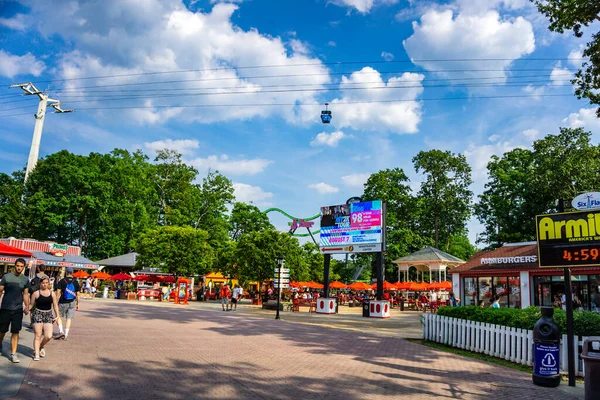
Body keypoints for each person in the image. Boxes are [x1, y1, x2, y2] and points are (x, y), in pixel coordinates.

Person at [0, 258, 31, 363]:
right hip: (5, 308)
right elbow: (0, 291)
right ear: (14, 266)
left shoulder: (25, 280)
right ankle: (0, 344)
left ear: (24, 267)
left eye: (21, 266)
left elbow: (25, 294)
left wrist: (27, 306)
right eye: (18, 266)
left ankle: (13, 353)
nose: (19, 268)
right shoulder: (6, 277)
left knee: (15, 332)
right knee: (2, 331)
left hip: (18, 310)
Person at [30, 275, 59, 361]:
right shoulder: (36, 293)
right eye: (43, 283)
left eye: (46, 283)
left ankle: (41, 346)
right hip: (38, 314)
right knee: (38, 335)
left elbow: (55, 305)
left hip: (48, 315)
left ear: (49, 284)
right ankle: (36, 354)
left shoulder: (52, 293)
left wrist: (57, 315)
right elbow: (31, 304)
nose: (45, 285)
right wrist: (27, 309)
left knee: (48, 336)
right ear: (40, 283)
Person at [55, 267, 80, 340]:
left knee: (58, 316)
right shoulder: (75, 282)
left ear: (66, 272)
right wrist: (78, 304)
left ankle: (61, 331)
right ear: (72, 273)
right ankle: (66, 334)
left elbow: (58, 293)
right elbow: (78, 294)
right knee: (69, 318)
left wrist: (55, 302)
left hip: (63, 301)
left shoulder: (62, 281)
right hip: (72, 302)